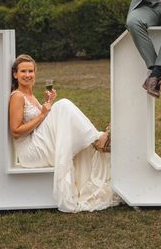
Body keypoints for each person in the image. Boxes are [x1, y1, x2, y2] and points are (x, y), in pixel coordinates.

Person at [8, 54, 119, 213]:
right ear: (15, 74)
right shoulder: (17, 96)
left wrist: (47, 104)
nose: (27, 75)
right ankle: (98, 139)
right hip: (30, 153)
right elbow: (16, 131)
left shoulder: (30, 96)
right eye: (23, 71)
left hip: (38, 144)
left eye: (31, 71)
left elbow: (42, 123)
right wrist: (42, 114)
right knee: (63, 106)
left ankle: (96, 139)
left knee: (64, 114)